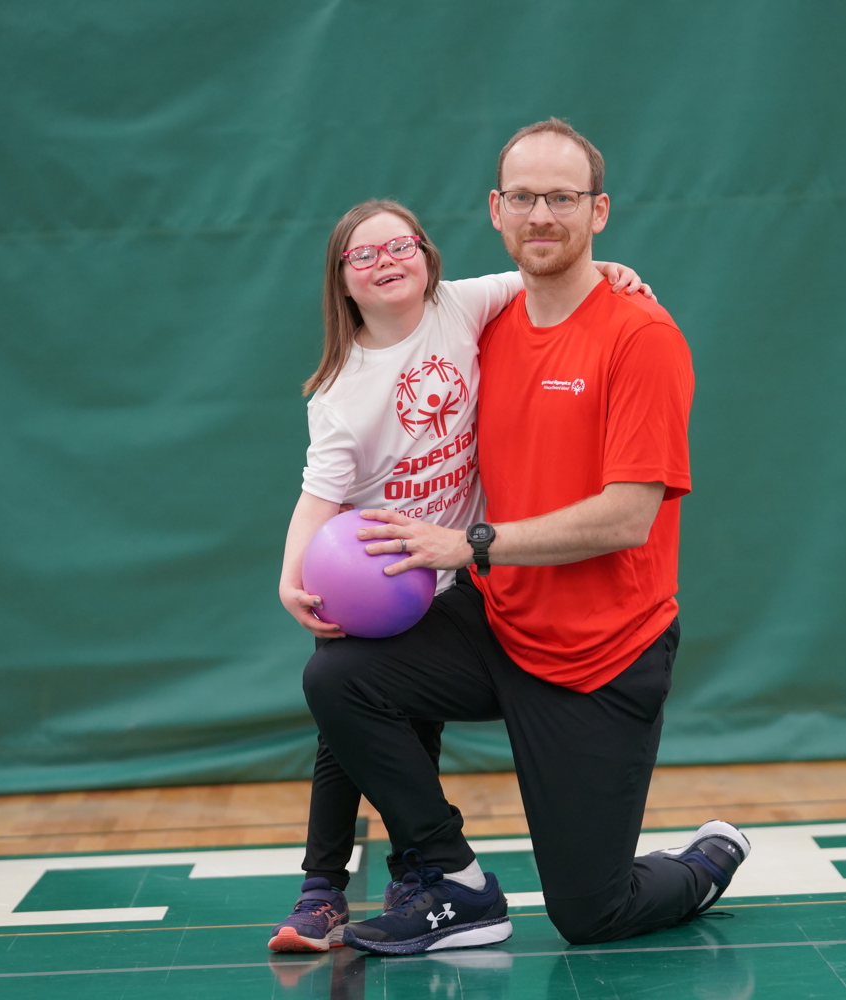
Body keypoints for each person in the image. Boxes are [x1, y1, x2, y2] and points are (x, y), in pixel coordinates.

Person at [303, 119, 750, 957]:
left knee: (592, 913)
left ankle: (707, 858)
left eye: (562, 197)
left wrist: (469, 545)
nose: (542, 214)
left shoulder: (642, 337)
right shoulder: (481, 326)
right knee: (341, 676)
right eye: (524, 198)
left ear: (600, 211)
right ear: (496, 211)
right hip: (498, 621)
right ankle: (453, 880)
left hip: (602, 656)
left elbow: (627, 517)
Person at [266, 197, 653, 952]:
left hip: (466, 578)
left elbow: (545, 279)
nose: (386, 262)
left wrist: (610, 269)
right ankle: (326, 886)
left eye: (399, 246)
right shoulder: (343, 394)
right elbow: (318, 498)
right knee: (340, 693)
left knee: (401, 717)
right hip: (384, 581)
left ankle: (425, 874)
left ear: (427, 256)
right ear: (342, 283)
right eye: (363, 256)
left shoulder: (462, 304)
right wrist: (290, 578)